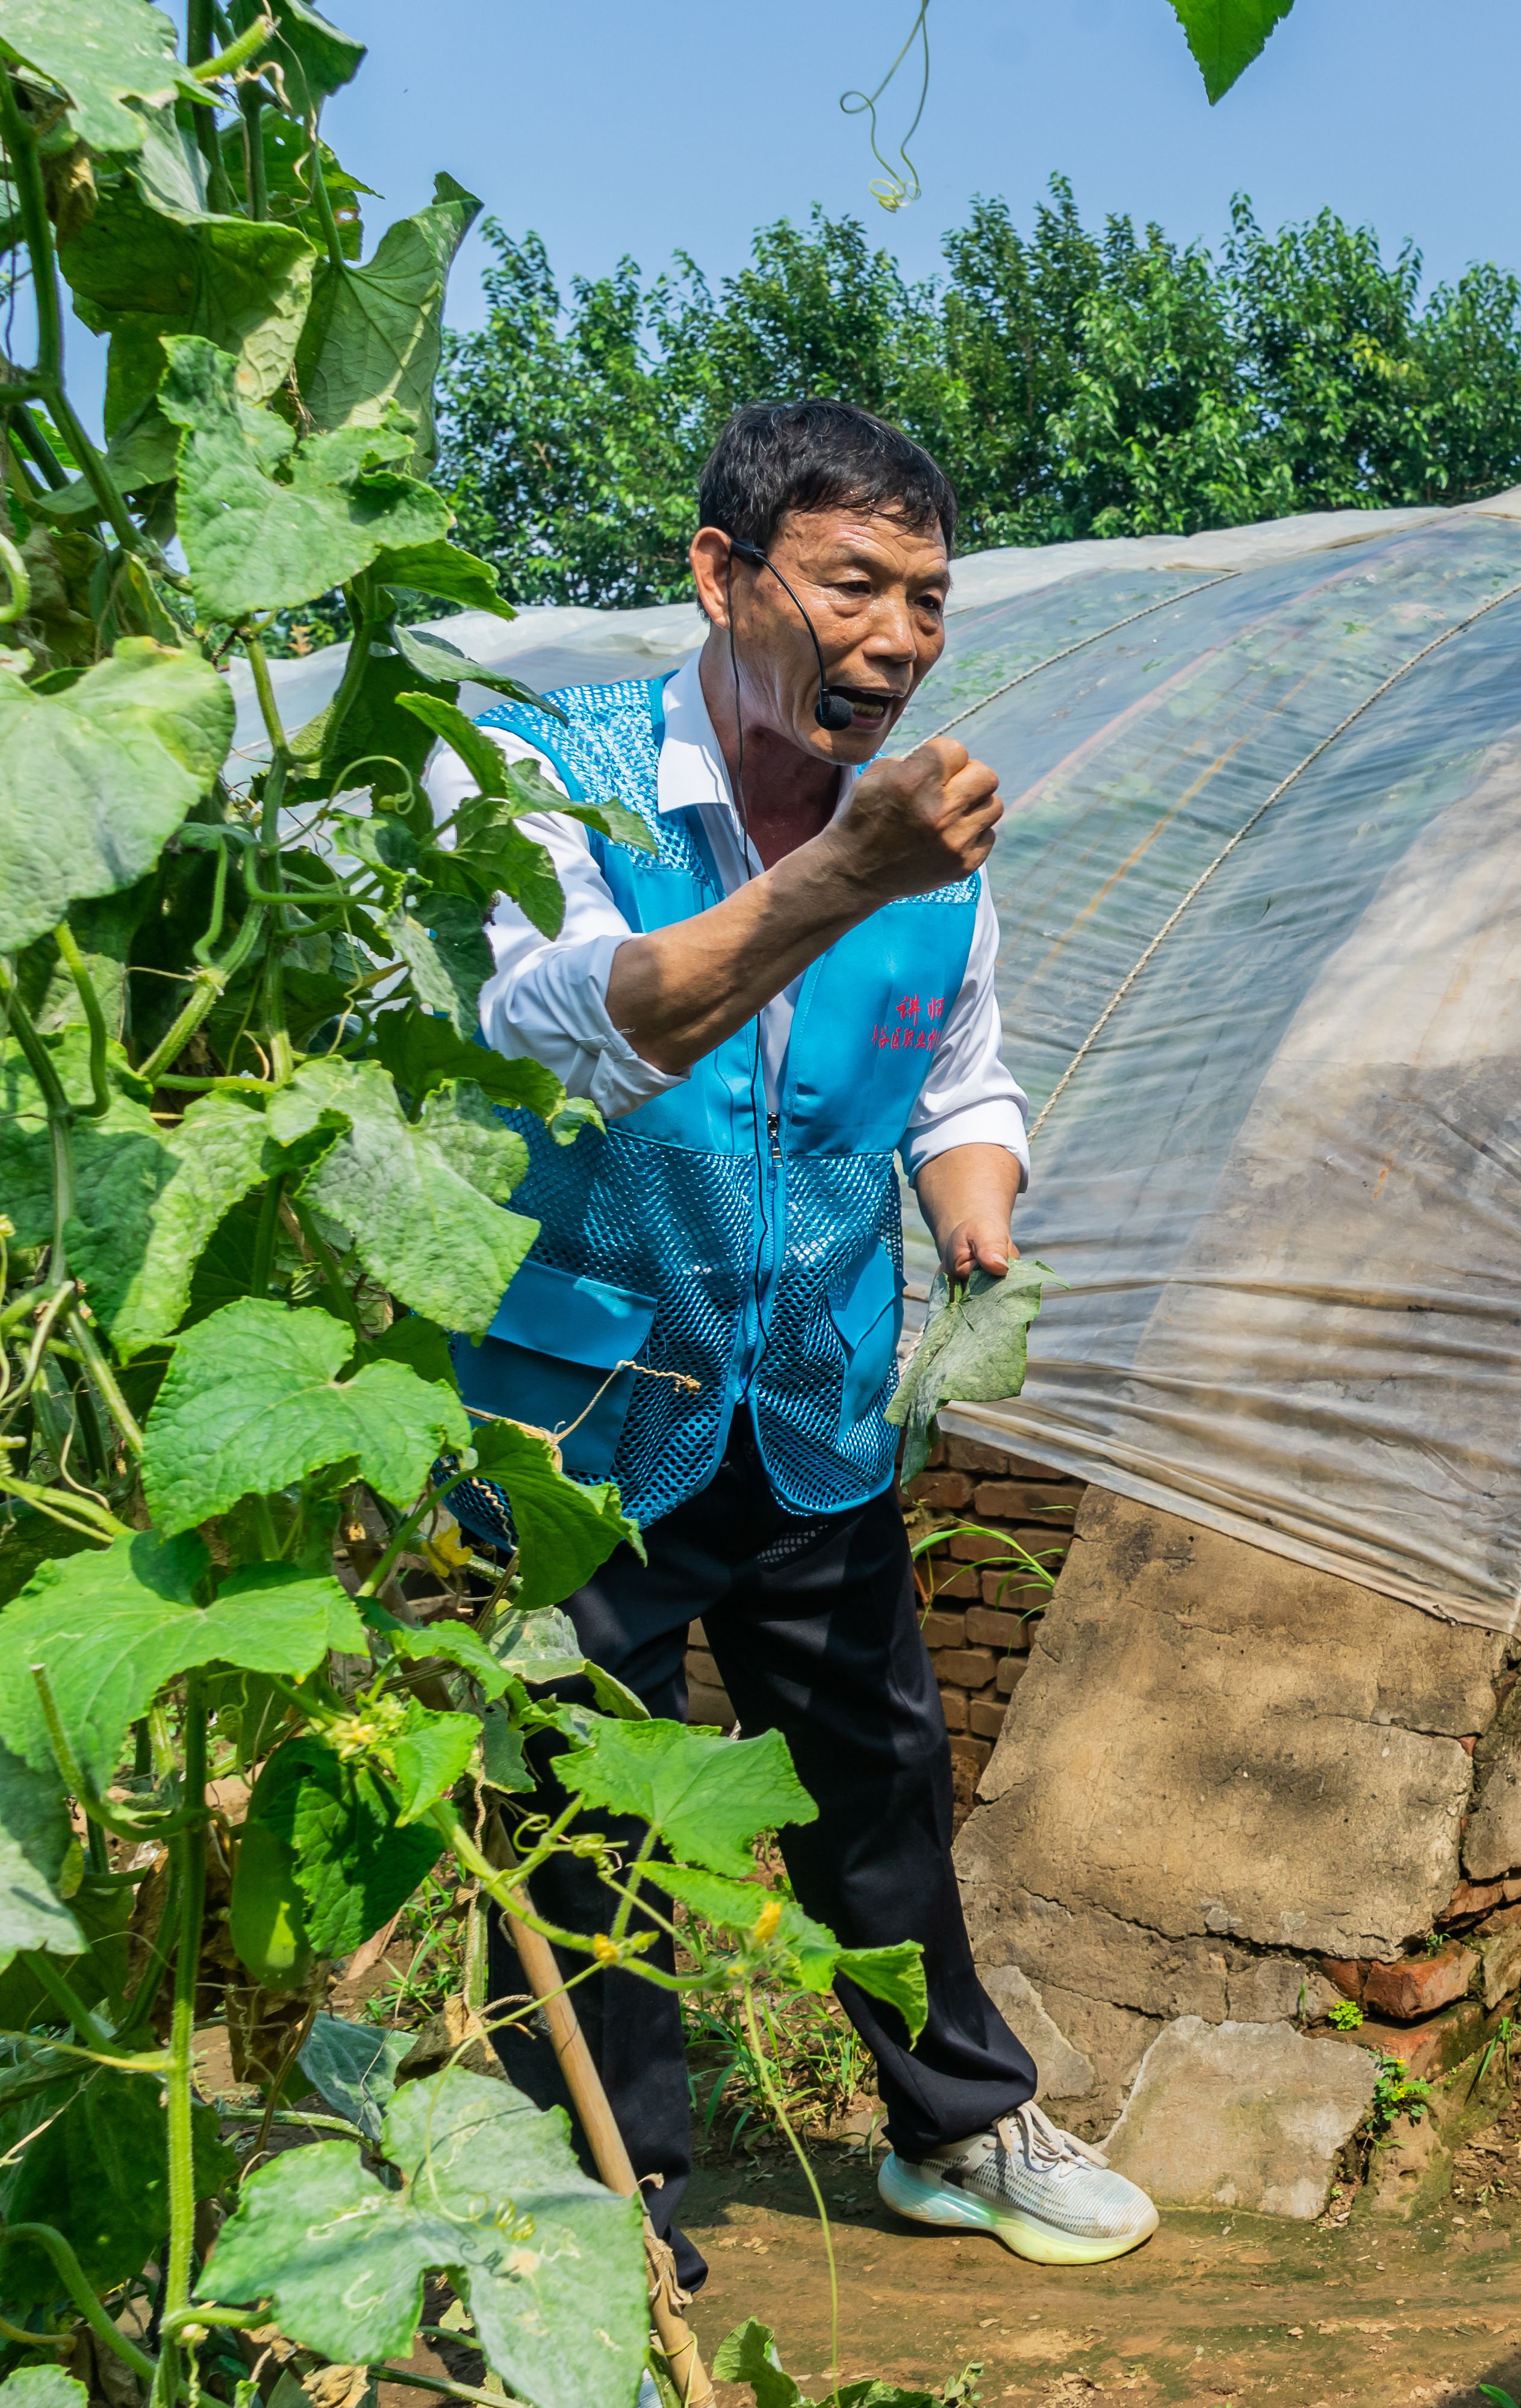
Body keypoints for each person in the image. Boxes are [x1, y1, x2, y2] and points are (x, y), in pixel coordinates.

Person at [455, 401, 1158, 2287]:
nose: (903, 633)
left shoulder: (941, 847)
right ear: (721, 571)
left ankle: (956, 2125)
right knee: (577, 1813)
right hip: (577, 1416)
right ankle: (607, 2209)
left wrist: (978, 1226)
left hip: (813, 1395)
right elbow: (582, 1027)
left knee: (878, 1784)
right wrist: (851, 865)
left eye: (929, 595)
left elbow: (957, 1072)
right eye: (855, 581)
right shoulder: (544, 775)